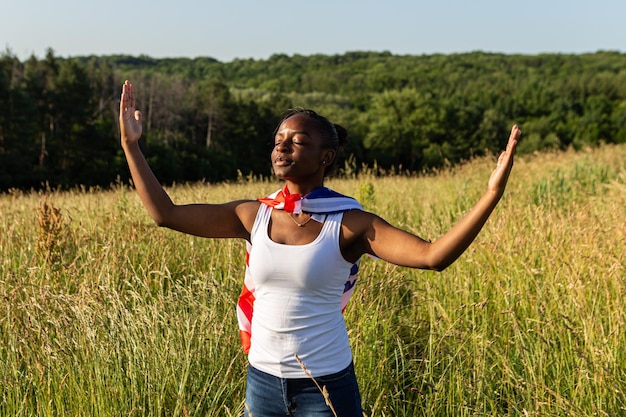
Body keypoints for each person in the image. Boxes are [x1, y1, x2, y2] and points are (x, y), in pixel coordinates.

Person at [119, 80, 521, 417]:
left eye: (297, 141)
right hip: (261, 383)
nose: (283, 147)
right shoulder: (253, 215)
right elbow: (165, 213)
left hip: (325, 390)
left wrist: (491, 194)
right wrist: (131, 147)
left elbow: (434, 256)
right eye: (279, 140)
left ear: (325, 156)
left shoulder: (349, 224)